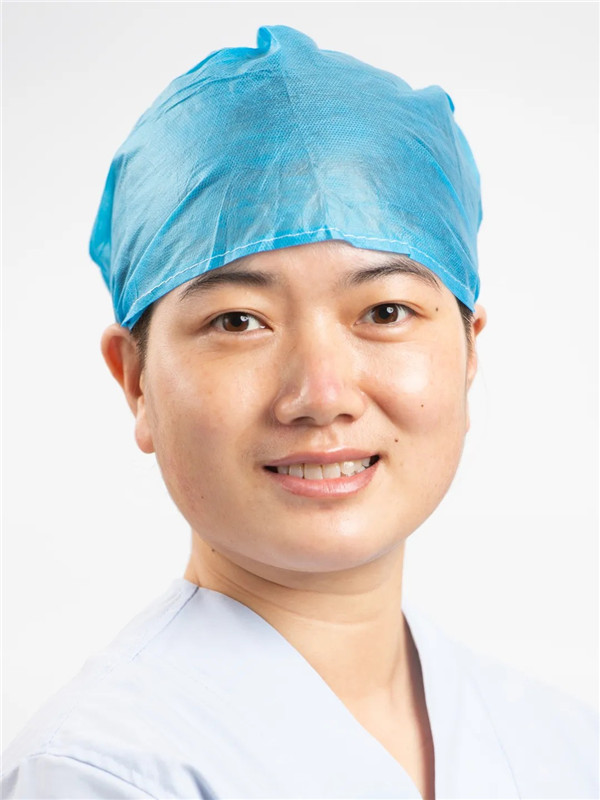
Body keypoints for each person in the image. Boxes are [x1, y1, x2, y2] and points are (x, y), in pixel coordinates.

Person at [2, 24, 597, 800]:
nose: (322, 395)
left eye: (385, 312)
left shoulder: (561, 746)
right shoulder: (104, 775)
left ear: (469, 350)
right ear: (136, 381)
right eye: (238, 321)